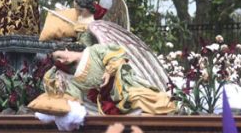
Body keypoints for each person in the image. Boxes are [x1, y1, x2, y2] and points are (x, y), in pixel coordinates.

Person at [46, 44, 176, 115]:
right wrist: (59, 85)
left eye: (60, 55)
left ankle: (173, 108)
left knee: (137, 97)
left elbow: (117, 55)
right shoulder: (75, 78)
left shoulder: (93, 51)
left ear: (66, 48)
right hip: (108, 102)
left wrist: (108, 72)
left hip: (123, 87)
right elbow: (75, 97)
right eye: (58, 61)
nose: (62, 60)